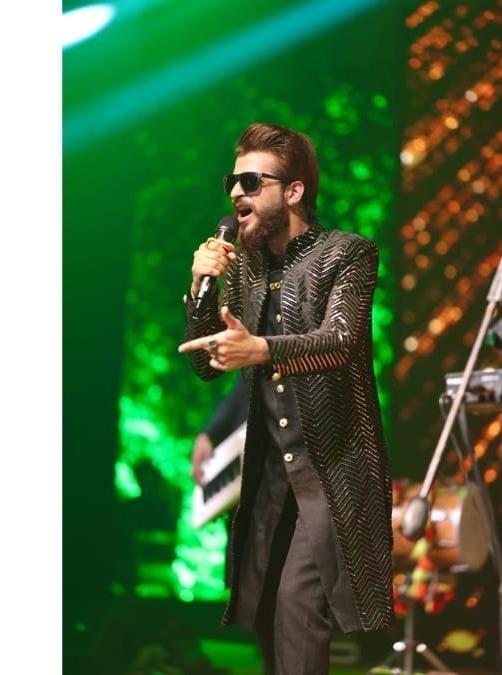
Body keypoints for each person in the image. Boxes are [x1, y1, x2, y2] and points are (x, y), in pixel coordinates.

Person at [178, 123, 393, 674]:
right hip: (269, 478)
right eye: (232, 182)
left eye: (251, 182)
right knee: (267, 613)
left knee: (298, 611)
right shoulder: (244, 269)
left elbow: (339, 341)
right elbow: (206, 364)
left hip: (330, 474)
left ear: (293, 191)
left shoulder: (347, 254)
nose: (236, 193)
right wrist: (199, 288)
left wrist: (262, 349)